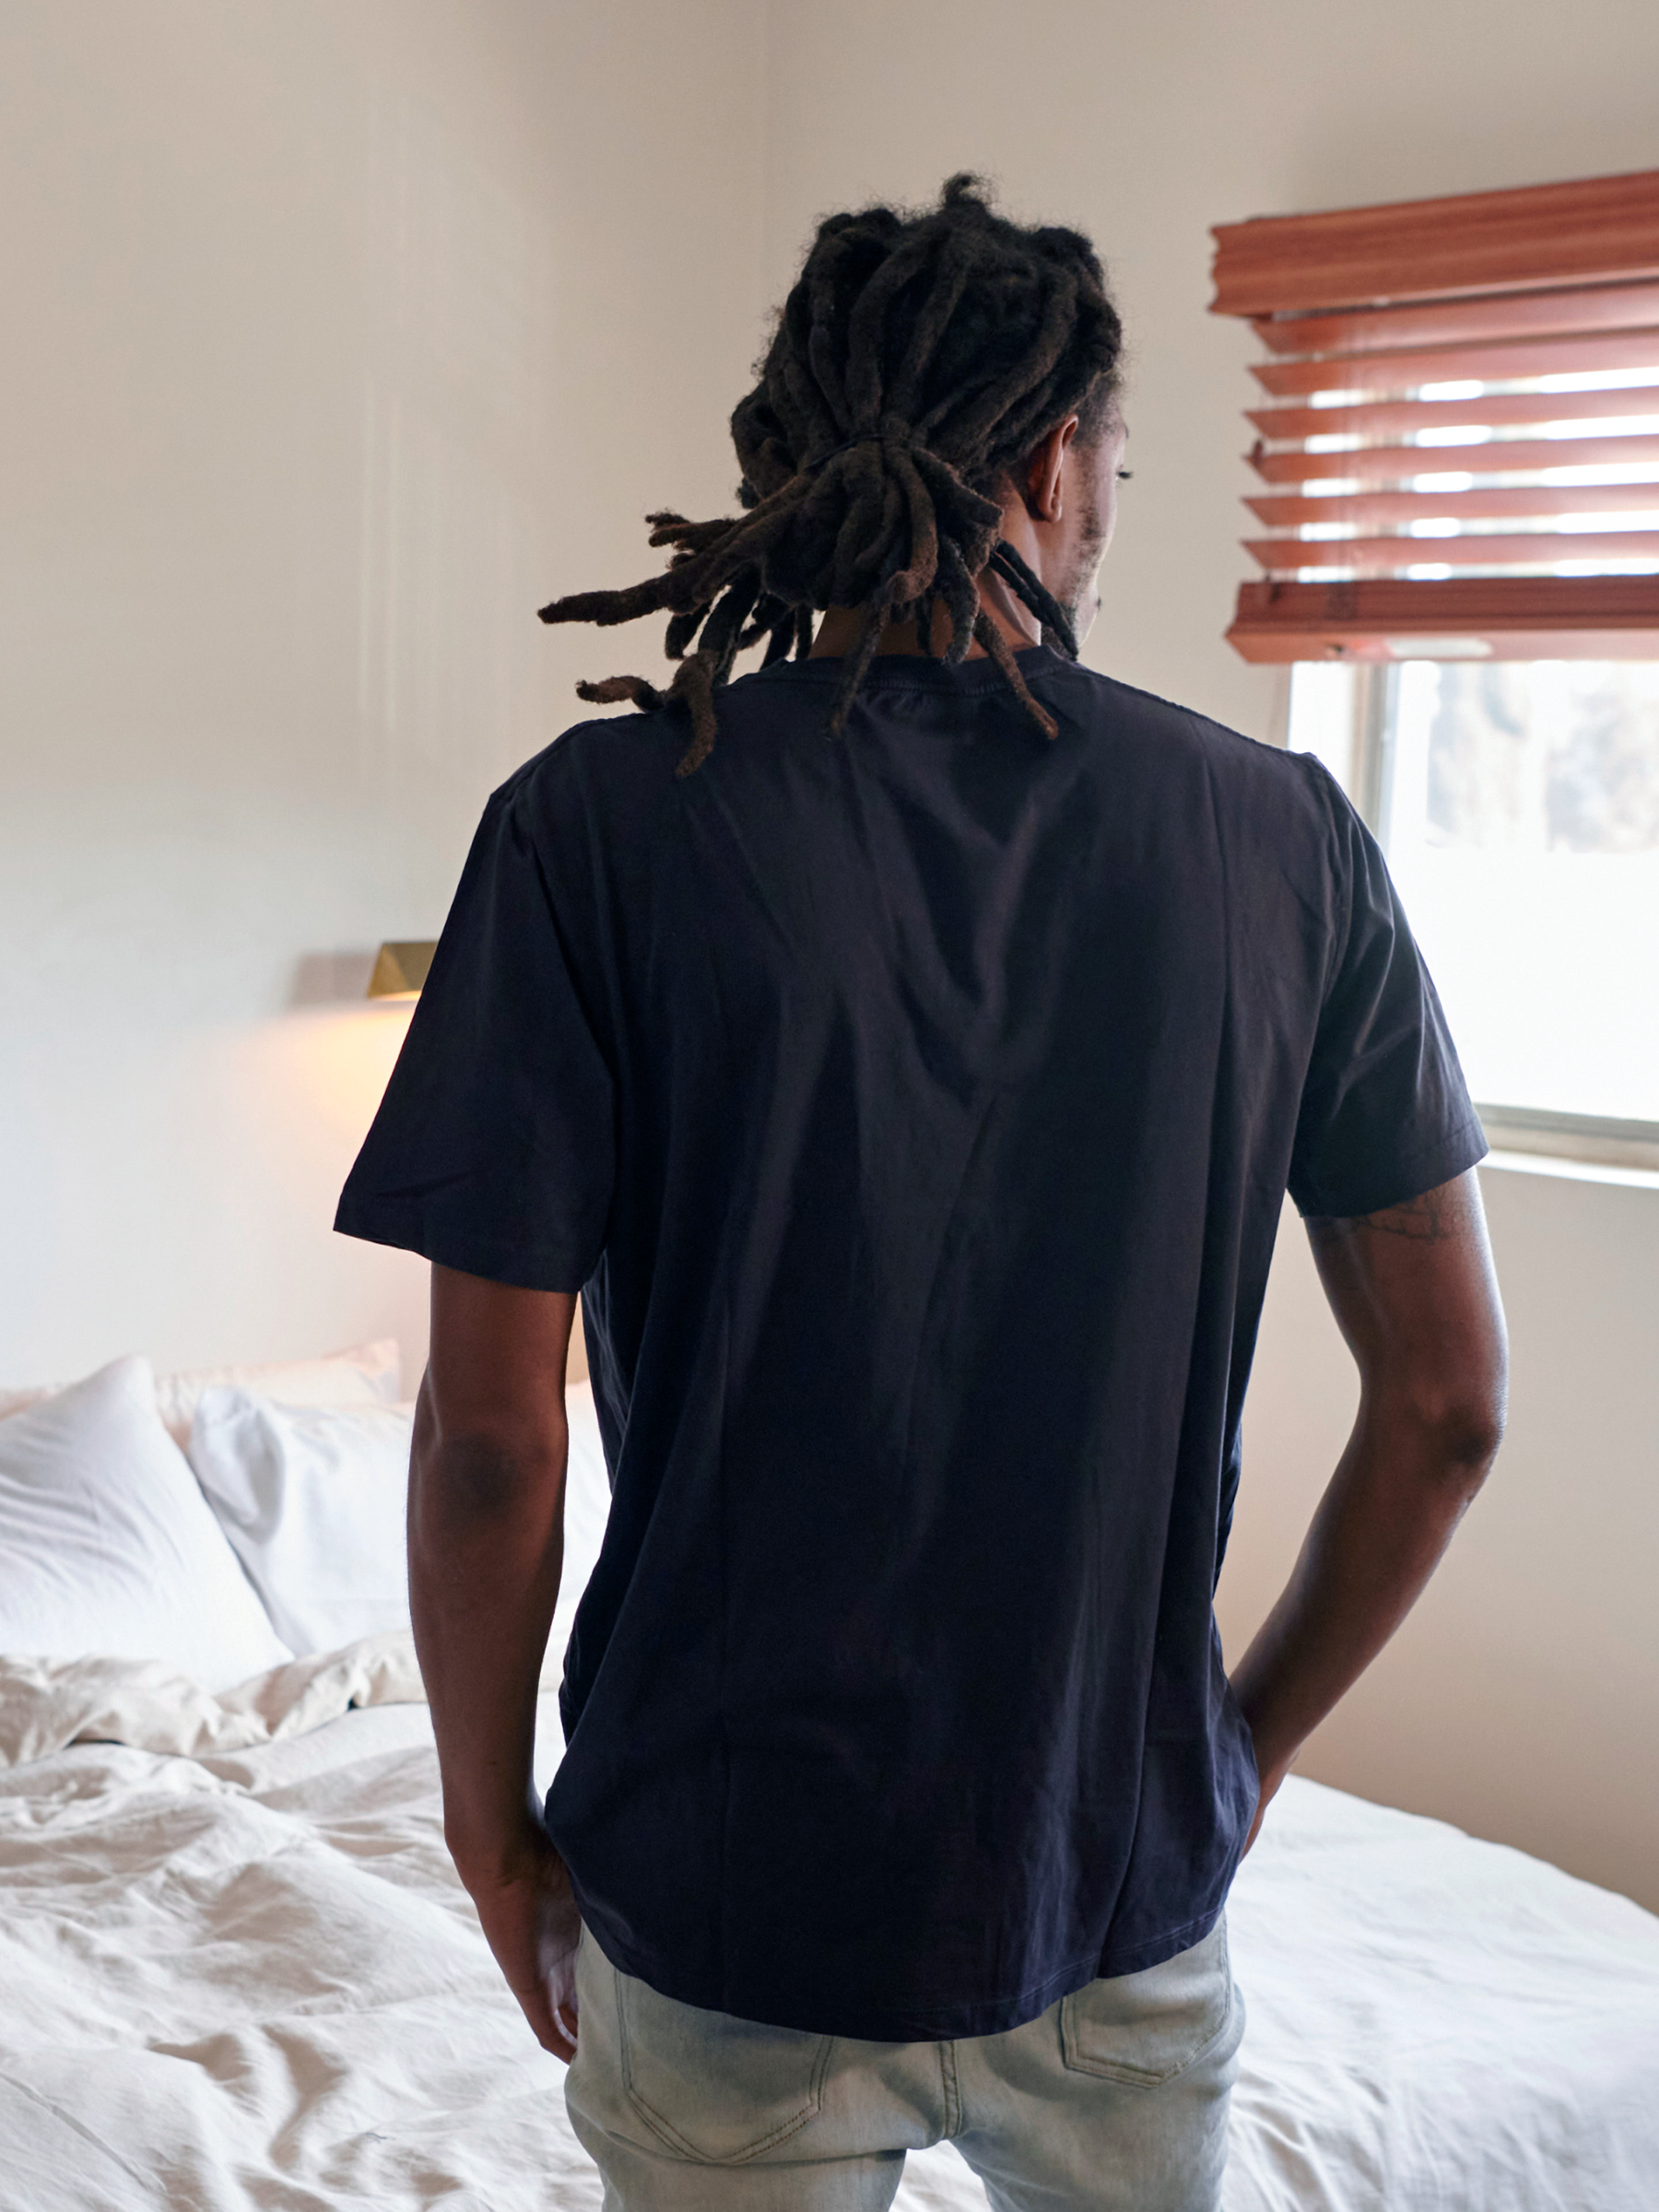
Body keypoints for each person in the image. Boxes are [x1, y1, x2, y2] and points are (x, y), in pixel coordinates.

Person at [335, 174, 1508, 2212]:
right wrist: (1236, 1759)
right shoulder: (1282, 839)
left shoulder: (595, 831)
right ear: (1056, 459)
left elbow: (495, 1442)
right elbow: (1451, 1408)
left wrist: (488, 1826)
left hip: (725, 1893)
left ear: (782, 466)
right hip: (1114, 1884)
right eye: (1117, 462)